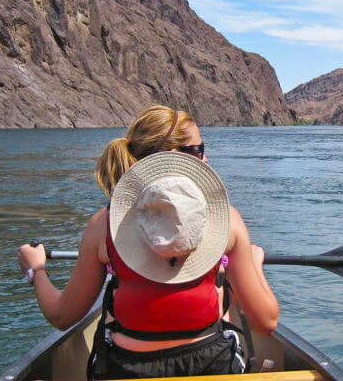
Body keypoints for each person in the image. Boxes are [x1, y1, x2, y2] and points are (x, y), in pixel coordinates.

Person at [18, 105, 279, 379]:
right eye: (199, 150)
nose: (207, 157)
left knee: (111, 311)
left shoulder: (103, 226)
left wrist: (36, 269)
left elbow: (62, 316)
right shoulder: (229, 222)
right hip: (209, 365)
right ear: (181, 158)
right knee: (221, 298)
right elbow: (266, 323)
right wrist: (254, 262)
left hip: (127, 370)